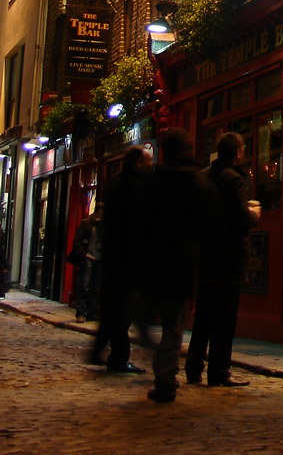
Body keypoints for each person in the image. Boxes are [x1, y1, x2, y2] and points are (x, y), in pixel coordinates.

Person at [142, 130, 214, 403]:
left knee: (147, 318)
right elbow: (210, 223)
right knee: (173, 324)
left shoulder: (151, 181)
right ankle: (165, 376)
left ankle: (160, 367)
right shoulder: (198, 181)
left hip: (153, 260)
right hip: (183, 262)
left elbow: (139, 222)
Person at [185, 132, 260, 388]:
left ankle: (193, 367)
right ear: (238, 152)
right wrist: (254, 214)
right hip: (229, 256)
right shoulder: (234, 179)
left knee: (203, 315)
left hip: (206, 255)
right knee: (225, 318)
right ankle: (219, 371)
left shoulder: (203, 176)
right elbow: (240, 217)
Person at [89, 145, 153, 373]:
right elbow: (136, 224)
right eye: (147, 161)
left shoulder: (116, 181)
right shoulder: (135, 186)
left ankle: (100, 351)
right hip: (128, 258)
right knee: (125, 311)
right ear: (137, 163)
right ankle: (121, 356)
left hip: (112, 256)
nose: (150, 165)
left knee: (113, 310)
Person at [70, 205, 103, 323]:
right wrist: (83, 255)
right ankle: (81, 313)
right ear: (99, 211)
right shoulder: (86, 223)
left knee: (96, 287)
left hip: (99, 259)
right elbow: (77, 241)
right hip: (88, 258)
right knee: (84, 286)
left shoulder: (103, 225)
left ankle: (92, 313)